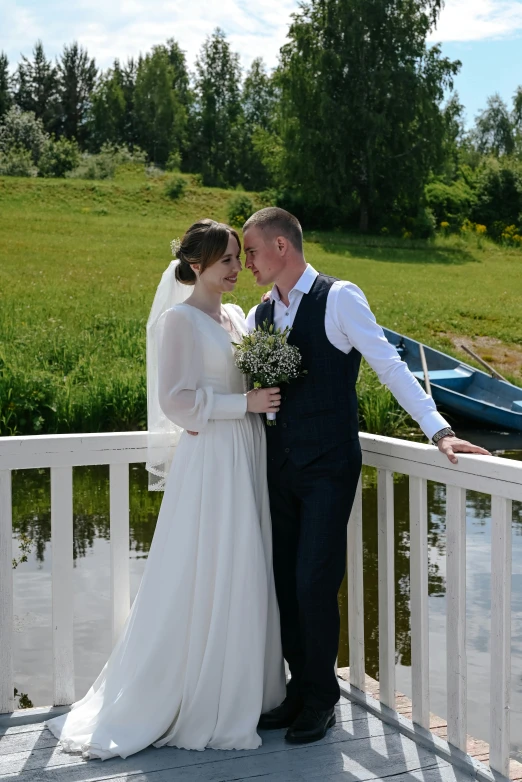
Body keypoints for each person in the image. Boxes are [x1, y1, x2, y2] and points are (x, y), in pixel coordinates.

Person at [243, 207, 489, 745]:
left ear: (282, 247)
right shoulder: (261, 315)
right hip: (279, 466)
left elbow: (389, 363)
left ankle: (323, 700)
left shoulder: (339, 297)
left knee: (314, 580)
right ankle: (299, 693)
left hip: (329, 466)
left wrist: (438, 430)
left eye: (253, 251)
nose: (248, 263)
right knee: (285, 581)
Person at [45, 219, 286, 760]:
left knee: (249, 562)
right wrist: (240, 405)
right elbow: (175, 402)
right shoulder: (180, 321)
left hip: (246, 451)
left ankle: (252, 690)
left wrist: (262, 393)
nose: (235, 270)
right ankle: (196, 696)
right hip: (213, 456)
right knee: (210, 564)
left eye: (235, 259)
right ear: (196, 265)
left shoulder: (238, 317)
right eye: (225, 260)